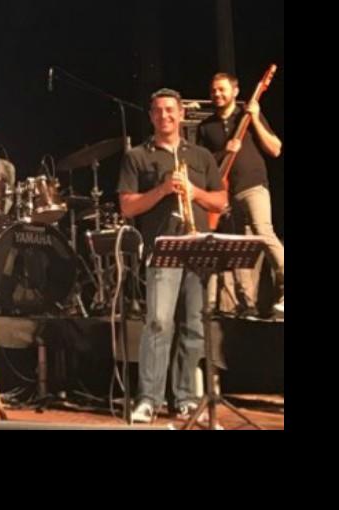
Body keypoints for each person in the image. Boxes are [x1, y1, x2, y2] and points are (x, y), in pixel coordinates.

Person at [117, 88, 227, 424]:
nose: (164, 115)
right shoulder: (137, 156)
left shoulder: (201, 155)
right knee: (159, 323)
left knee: (194, 326)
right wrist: (163, 189)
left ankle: (185, 398)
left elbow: (221, 201)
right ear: (151, 116)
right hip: (162, 248)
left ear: (181, 114)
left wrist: (194, 192)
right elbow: (127, 206)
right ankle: (149, 398)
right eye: (158, 111)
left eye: (170, 110)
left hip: (198, 248)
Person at [196, 72, 285, 317]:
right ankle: (247, 305)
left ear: (235, 92)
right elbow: (201, 166)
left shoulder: (247, 114)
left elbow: (275, 149)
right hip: (226, 193)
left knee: (263, 231)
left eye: (222, 89)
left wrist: (254, 118)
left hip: (253, 185)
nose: (217, 94)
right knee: (239, 248)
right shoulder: (206, 127)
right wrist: (223, 153)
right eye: (214, 90)